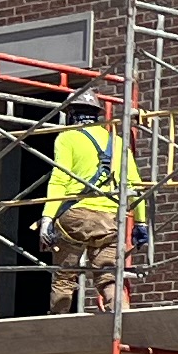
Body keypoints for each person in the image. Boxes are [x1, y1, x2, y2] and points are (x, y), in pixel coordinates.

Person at [37, 113, 147, 309]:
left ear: (72, 115)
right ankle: (122, 319)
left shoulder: (68, 137)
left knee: (64, 278)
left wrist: (47, 218)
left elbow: (59, 179)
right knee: (109, 278)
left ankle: (59, 327)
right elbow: (134, 186)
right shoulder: (118, 143)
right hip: (108, 220)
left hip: (74, 217)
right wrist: (141, 222)